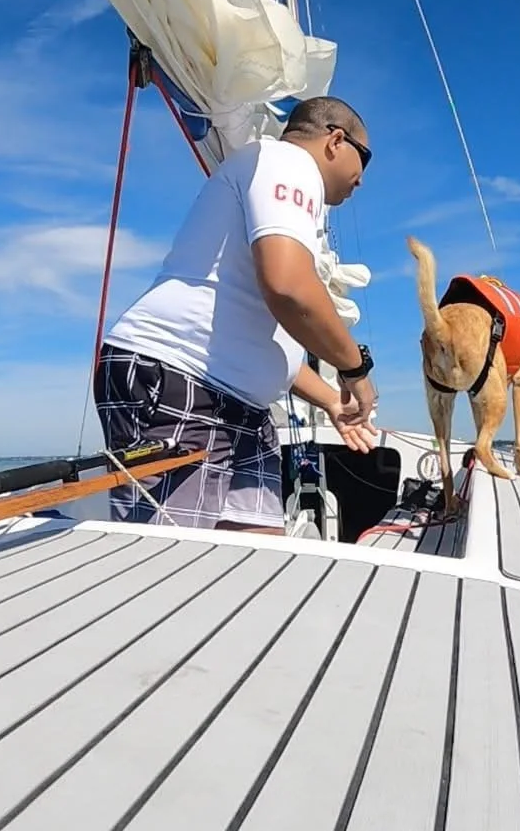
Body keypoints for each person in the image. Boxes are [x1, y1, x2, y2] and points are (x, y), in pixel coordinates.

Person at [94, 95, 379, 535]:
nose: (362, 181)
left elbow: (263, 337)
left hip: (237, 402)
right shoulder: (287, 163)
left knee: (258, 551)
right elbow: (287, 286)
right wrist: (354, 367)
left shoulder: (275, 174)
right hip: (181, 379)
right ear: (335, 141)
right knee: (169, 566)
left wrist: (330, 401)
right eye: (365, 158)